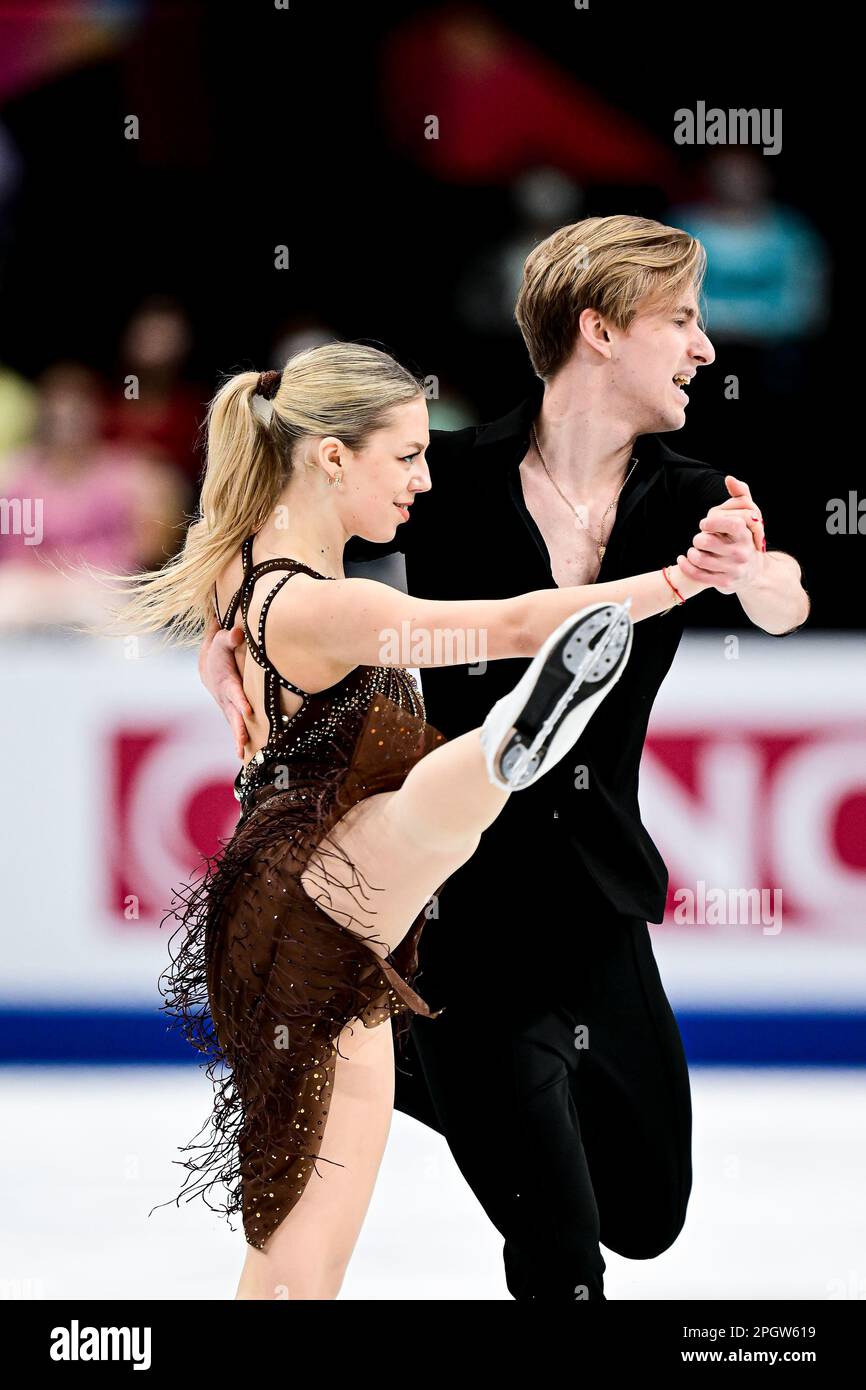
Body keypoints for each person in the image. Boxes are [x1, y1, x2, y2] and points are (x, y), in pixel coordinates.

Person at [202, 216, 810, 1301]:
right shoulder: (451, 474)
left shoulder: (689, 496)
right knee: (558, 1253)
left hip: (597, 891)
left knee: (645, 1214)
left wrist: (741, 575)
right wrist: (238, 632)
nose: (704, 347)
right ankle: (461, 1046)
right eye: (680, 319)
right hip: (458, 913)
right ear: (601, 330)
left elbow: (780, 599)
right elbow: (300, 530)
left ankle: (424, 1070)